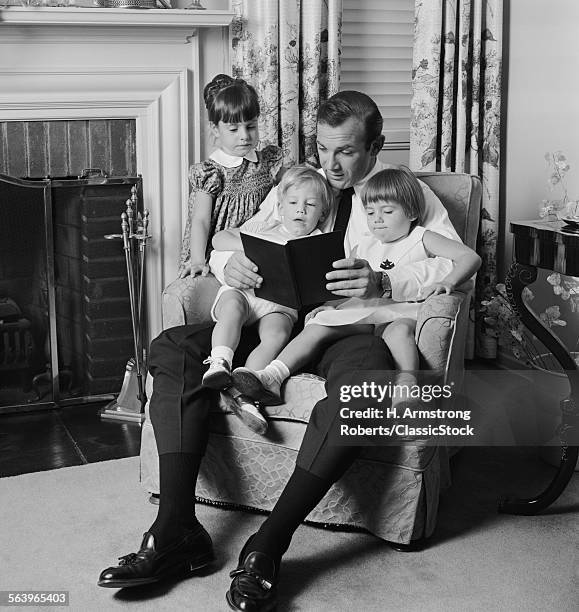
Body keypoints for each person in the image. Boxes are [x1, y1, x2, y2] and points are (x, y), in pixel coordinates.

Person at [98, 91, 462, 612]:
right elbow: (237, 241)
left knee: (364, 397)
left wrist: (385, 282)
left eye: (346, 152)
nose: (331, 165)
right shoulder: (297, 184)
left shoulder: (404, 193)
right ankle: (175, 529)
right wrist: (232, 267)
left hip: (350, 329)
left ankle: (267, 545)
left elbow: (452, 271)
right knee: (175, 346)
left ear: (377, 146)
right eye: (322, 148)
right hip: (275, 317)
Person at [231, 166, 481, 411]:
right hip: (367, 310)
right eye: (370, 213)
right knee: (319, 326)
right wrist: (328, 306)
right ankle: (272, 376)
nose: (378, 220)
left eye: (387, 211)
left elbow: (470, 257)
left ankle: (407, 385)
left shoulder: (422, 237)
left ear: (412, 212)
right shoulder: (363, 246)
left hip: (402, 309)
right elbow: (345, 287)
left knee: (399, 332)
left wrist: (447, 281)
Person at [202, 165, 334, 434]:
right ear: (281, 207)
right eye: (293, 203)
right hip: (245, 293)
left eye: (310, 205)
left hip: (280, 305)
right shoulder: (263, 227)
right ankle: (219, 362)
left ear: (322, 213)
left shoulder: (319, 244)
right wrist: (250, 246)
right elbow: (218, 238)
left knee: (277, 334)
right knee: (232, 310)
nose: (301, 210)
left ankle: (247, 392)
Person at [178, 73, 283, 279]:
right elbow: (200, 220)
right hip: (220, 251)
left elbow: (289, 187)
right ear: (215, 129)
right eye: (234, 129)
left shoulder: (268, 162)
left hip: (257, 247)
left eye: (251, 126)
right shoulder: (212, 173)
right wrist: (198, 260)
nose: (244, 135)